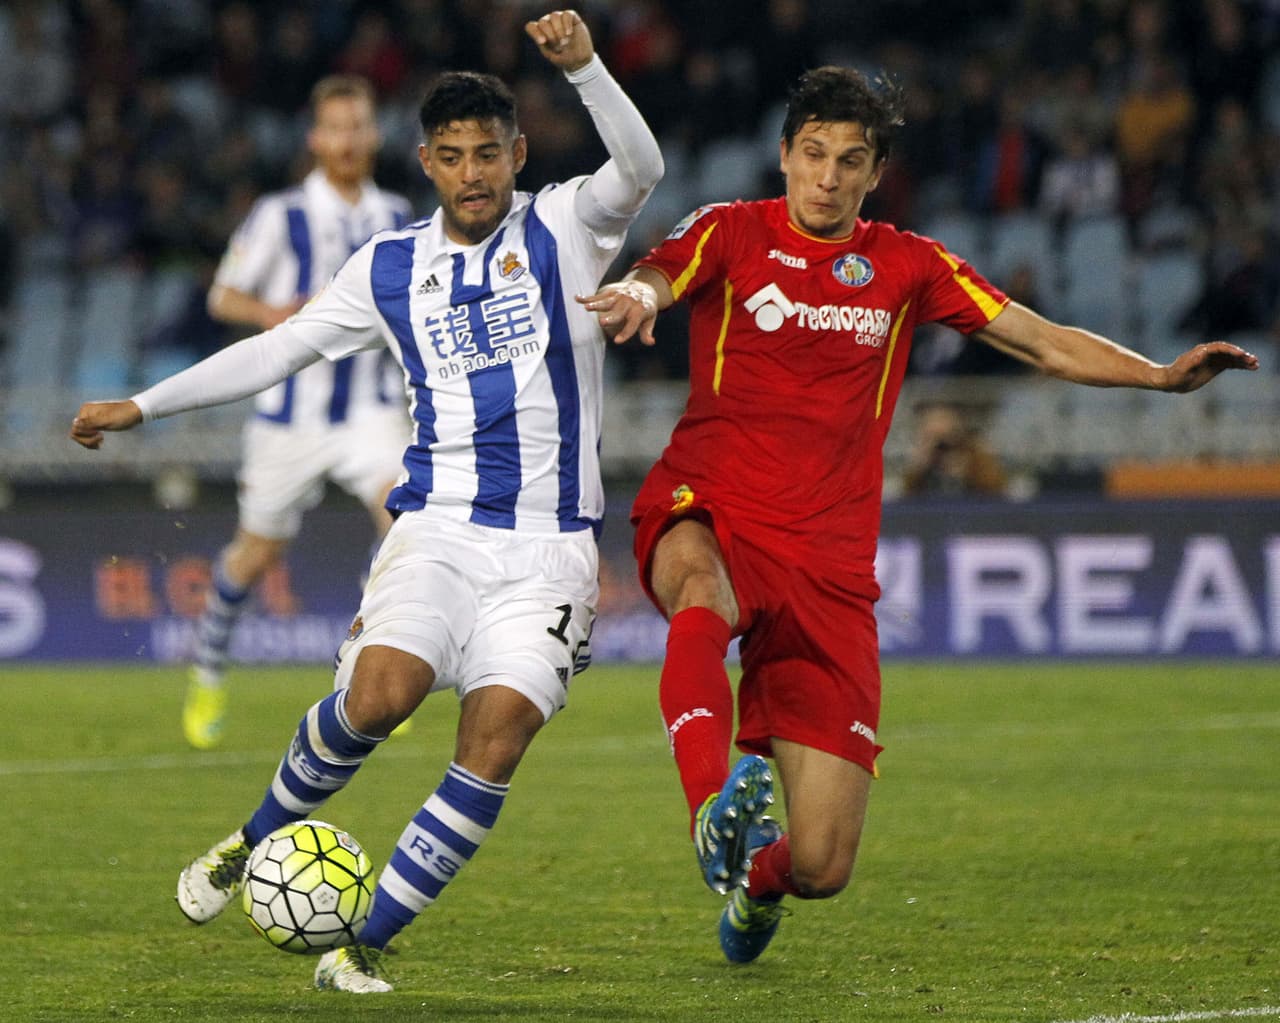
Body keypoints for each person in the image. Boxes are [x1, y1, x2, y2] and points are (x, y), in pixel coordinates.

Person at [577, 64, 1258, 965]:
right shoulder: (731, 230)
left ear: (875, 172)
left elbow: (1038, 340)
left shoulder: (907, 265)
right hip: (712, 502)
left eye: (848, 160)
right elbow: (659, 275)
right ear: (783, 155)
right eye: (812, 153)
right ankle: (712, 807)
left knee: (823, 863)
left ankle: (760, 881)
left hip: (829, 565)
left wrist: (1161, 376)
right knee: (701, 591)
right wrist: (636, 294)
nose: (826, 176)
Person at [70, 10, 662, 994]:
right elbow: (280, 349)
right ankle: (250, 840)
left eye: (489, 153)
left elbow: (639, 166)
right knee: (378, 697)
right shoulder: (388, 266)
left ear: (517, 154)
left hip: (550, 550)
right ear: (425, 162)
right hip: (436, 530)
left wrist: (587, 68)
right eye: (451, 156)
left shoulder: (565, 226)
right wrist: (145, 405)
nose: (472, 173)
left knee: (495, 739)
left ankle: (361, 945)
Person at [184, 74, 413, 751]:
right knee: (257, 552)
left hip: (370, 409)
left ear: (374, 135)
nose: (347, 140)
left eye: (358, 126)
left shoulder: (399, 213)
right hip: (289, 418)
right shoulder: (278, 214)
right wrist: (270, 313)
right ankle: (207, 664)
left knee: (406, 521)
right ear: (315, 138)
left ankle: (376, 667)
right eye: (335, 128)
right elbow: (222, 296)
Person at [900, 401, 1008, 498]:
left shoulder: (975, 460)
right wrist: (918, 467)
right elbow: (904, 501)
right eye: (932, 437)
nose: (941, 447)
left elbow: (998, 493)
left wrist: (968, 467)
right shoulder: (921, 470)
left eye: (946, 436)